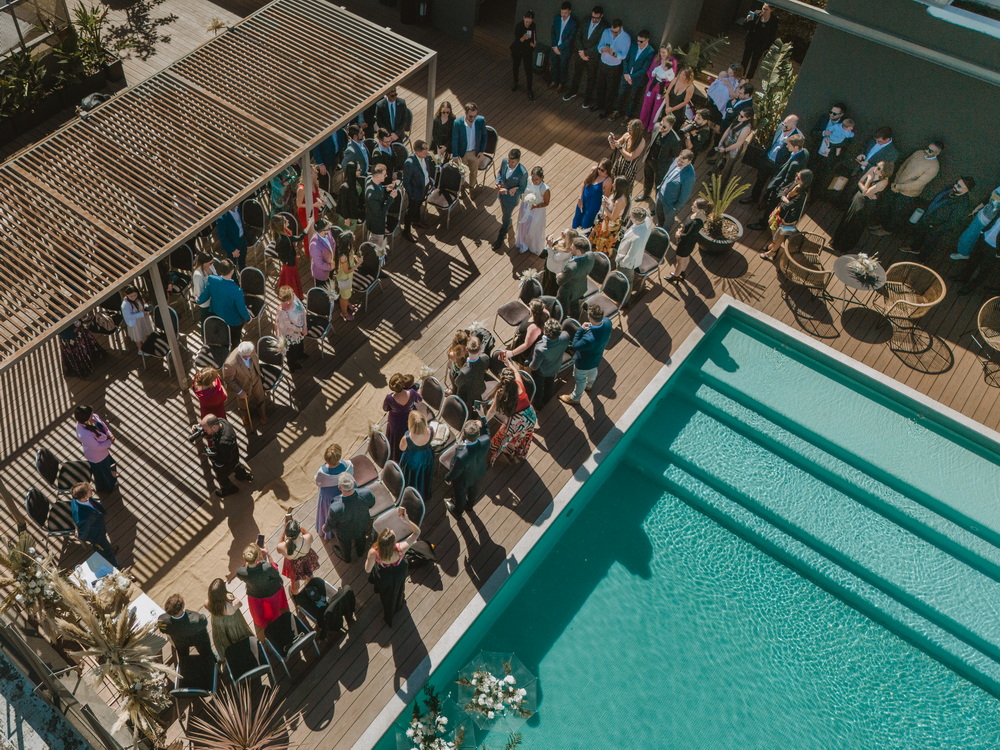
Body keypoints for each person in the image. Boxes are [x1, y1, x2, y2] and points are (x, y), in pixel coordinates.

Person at [871, 142, 943, 235]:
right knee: (886, 205)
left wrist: (898, 186)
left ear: (937, 153)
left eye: (930, 151)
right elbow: (903, 166)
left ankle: (887, 230)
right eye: (927, 148)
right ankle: (880, 224)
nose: (926, 151)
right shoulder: (918, 153)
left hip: (908, 193)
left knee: (896, 213)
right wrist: (895, 182)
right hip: (896, 185)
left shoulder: (934, 167)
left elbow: (918, 184)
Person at [365, 507, 420, 626]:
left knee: (386, 596)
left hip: (384, 575)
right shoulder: (401, 548)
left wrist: (369, 560)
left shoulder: (374, 552)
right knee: (399, 589)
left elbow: (368, 569)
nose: (392, 531)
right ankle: (398, 603)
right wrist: (407, 520)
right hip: (399, 571)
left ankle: (389, 612)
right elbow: (417, 533)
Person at [900, 176, 975, 258]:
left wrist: (937, 228)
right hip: (928, 217)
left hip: (936, 227)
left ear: (967, 189)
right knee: (919, 234)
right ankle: (914, 248)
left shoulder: (962, 204)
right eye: (956, 183)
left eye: (959, 186)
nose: (955, 186)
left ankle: (922, 259)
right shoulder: (950, 188)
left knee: (930, 243)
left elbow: (953, 222)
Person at [747, 134, 809, 231]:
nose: (786, 146)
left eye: (789, 145)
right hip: (784, 183)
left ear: (796, 147)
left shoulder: (795, 164)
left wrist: (777, 190)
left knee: (770, 205)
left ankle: (763, 224)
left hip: (781, 188)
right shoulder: (804, 152)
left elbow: (787, 179)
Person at [831, 161, 894, 254]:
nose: (876, 168)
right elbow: (860, 182)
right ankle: (836, 240)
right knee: (847, 219)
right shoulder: (872, 169)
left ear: (885, 172)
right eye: (877, 166)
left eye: (879, 168)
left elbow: (865, 192)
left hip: (866, 205)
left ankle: (845, 246)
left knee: (855, 225)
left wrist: (869, 180)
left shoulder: (883, 182)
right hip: (858, 198)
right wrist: (866, 189)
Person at [742, 114, 801, 206]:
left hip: (778, 164)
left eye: (786, 125)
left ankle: (765, 201)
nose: (783, 126)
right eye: (783, 123)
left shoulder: (796, 137)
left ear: (794, 126)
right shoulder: (780, 127)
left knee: (772, 185)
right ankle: (754, 197)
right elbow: (772, 140)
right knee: (760, 180)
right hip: (768, 159)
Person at [487, 360, 537, 465]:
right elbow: (517, 373)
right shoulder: (519, 384)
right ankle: (515, 451)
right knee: (522, 436)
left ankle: (499, 451)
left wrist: (483, 421)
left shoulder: (501, 394)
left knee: (502, 437)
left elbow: (492, 411)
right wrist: (510, 364)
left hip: (516, 421)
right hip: (530, 416)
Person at [560, 305, 612, 405]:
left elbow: (575, 345)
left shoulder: (589, 338)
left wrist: (580, 329)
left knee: (580, 380)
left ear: (589, 317)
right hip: (597, 357)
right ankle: (590, 385)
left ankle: (575, 398)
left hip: (583, 362)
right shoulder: (607, 322)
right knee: (593, 371)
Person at [759, 169, 814, 261]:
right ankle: (774, 243)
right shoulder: (795, 183)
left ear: (804, 181)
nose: (796, 178)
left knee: (781, 234)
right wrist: (784, 198)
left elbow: (789, 205)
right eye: (797, 175)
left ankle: (773, 251)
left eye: (799, 177)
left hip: (789, 218)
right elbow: (782, 191)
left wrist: (784, 198)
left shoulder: (803, 194)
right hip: (780, 211)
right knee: (772, 225)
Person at [562, 5, 609, 108]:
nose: (594, 20)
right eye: (593, 17)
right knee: (576, 73)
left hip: (592, 57)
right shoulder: (585, 21)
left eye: (597, 18)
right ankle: (573, 91)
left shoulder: (604, 28)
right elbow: (578, 35)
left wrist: (586, 53)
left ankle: (587, 98)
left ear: (601, 16)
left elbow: (600, 44)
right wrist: (581, 51)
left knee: (591, 78)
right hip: (580, 53)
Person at [197, 259, 251, 346]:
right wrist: (248, 318)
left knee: (223, 337)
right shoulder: (236, 290)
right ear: (232, 271)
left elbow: (201, 299)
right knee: (235, 341)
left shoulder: (212, 280)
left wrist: (197, 299)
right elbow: (241, 309)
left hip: (218, 316)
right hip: (233, 322)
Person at [236, 543, 289, 629]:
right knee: (274, 612)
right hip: (272, 592)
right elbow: (275, 573)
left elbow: (247, 571)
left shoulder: (240, 572)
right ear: (257, 557)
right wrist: (268, 554)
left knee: (259, 613)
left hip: (255, 594)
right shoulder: (266, 566)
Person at [445, 420, 492, 515]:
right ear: (478, 433)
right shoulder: (486, 440)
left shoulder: (461, 455)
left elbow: (456, 470)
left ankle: (458, 511)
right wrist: (483, 418)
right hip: (479, 472)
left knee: (460, 495)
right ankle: (470, 506)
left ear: (463, 434)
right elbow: (486, 432)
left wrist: (448, 478)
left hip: (464, 480)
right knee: (474, 492)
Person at [325, 474, 375, 562]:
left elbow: (329, 526)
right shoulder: (366, 493)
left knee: (345, 547)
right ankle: (360, 552)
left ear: (339, 487)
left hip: (344, 533)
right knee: (361, 539)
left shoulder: (335, 507)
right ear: (354, 482)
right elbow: (371, 504)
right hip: (362, 525)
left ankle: (347, 558)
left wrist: (324, 529)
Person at [200, 413, 253, 497]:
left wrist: (209, 453)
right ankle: (242, 475)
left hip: (227, 460)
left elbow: (225, 460)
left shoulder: (223, 442)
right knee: (236, 465)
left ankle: (231, 489)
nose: (204, 431)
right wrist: (200, 427)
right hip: (233, 453)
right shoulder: (222, 421)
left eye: (205, 430)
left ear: (214, 427)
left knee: (221, 477)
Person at [69, 482, 119, 567]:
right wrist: (79, 533)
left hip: (98, 529)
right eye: (89, 490)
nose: (92, 489)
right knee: (105, 552)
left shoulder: (76, 500)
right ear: (84, 497)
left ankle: (109, 550)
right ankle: (117, 567)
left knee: (106, 546)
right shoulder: (84, 517)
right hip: (96, 536)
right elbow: (83, 533)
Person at [608, 29, 653, 120]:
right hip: (626, 75)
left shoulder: (650, 51)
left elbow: (644, 69)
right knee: (620, 94)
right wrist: (626, 73)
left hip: (637, 79)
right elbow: (626, 59)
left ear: (647, 40)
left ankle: (627, 116)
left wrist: (631, 77)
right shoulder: (633, 45)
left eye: (641, 41)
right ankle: (616, 111)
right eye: (638, 40)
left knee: (633, 99)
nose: (638, 43)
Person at [205, 578, 253, 661]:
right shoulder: (230, 606)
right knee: (237, 636)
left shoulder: (207, 603)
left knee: (225, 639)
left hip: (218, 624)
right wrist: (230, 597)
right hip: (233, 623)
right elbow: (240, 603)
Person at [74, 405, 117, 494]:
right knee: (102, 473)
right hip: (97, 456)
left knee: (107, 466)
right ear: (86, 418)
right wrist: (110, 442)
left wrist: (110, 434)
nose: (93, 414)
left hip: (103, 453)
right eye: (91, 414)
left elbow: (103, 426)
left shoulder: (92, 417)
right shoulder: (84, 434)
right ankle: (109, 486)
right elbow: (97, 447)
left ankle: (111, 475)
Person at [528, 319, 572, 407]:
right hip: (556, 367)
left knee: (539, 389)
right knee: (550, 384)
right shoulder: (565, 336)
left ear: (545, 332)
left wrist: (529, 365)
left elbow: (534, 367)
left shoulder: (540, 348)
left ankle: (538, 405)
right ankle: (548, 401)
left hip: (541, 372)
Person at [637, 114, 680, 202]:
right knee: (648, 177)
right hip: (649, 158)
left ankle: (658, 202)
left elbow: (675, 154)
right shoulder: (656, 127)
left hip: (661, 164)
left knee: (659, 184)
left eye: (664, 127)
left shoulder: (675, 140)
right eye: (661, 124)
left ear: (671, 127)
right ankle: (646, 193)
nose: (661, 127)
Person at [314, 443, 353, 540]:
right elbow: (351, 475)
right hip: (341, 492)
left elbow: (317, 482)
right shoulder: (346, 466)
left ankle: (328, 531)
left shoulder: (322, 472)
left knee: (328, 514)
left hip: (328, 497)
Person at [223, 341, 267, 427]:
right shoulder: (230, 364)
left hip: (256, 379)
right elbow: (228, 380)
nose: (254, 352)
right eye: (252, 353)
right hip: (242, 384)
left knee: (260, 397)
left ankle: (262, 413)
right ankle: (245, 415)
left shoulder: (248, 347)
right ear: (245, 356)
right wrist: (239, 391)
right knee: (243, 402)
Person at [592, 18, 631, 116]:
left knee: (611, 89)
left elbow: (624, 55)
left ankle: (607, 109)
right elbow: (599, 46)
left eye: (616, 32)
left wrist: (615, 54)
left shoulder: (626, 38)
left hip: (614, 66)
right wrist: (602, 49)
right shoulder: (606, 32)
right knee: (600, 85)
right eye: (612, 31)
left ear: (621, 28)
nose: (613, 34)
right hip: (603, 62)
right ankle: (598, 104)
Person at [493, 149, 529, 251]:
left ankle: (500, 238)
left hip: (511, 200)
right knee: (505, 214)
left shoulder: (523, 173)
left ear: (518, 160)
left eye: (512, 162)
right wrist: (498, 182)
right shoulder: (504, 161)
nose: (509, 163)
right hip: (501, 195)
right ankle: (508, 222)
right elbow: (500, 173)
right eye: (509, 161)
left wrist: (508, 191)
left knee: (505, 217)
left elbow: (522, 189)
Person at [666, 197, 710, 282]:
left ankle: (675, 276)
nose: (692, 207)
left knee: (679, 260)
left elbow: (688, 236)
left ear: (700, 210)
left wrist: (679, 234)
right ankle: (682, 272)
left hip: (686, 243)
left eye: (694, 206)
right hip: (690, 242)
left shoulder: (697, 222)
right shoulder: (698, 215)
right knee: (686, 257)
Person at [951, 184, 1000, 260]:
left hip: (986, 222)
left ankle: (963, 254)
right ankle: (965, 252)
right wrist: (977, 208)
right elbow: (989, 199)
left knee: (968, 236)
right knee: (971, 236)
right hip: (982, 215)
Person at [955, 215, 1000, 296]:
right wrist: (983, 232)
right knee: (973, 259)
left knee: (984, 270)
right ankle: (964, 277)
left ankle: (969, 288)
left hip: (995, 249)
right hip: (984, 239)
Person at [710, 108, 755, 186]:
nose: (739, 117)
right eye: (739, 114)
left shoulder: (746, 128)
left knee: (726, 168)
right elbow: (728, 130)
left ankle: (720, 185)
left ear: (748, 118)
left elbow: (738, 143)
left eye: (742, 116)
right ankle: (713, 180)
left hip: (733, 149)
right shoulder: (737, 120)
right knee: (718, 162)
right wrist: (721, 142)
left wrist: (725, 150)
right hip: (726, 143)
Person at [383, 373, 422, 462]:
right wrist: (419, 392)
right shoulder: (412, 393)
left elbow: (386, 408)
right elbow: (419, 399)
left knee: (395, 440)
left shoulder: (389, 398)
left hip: (396, 422)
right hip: (410, 419)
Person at [638, 44, 678, 131]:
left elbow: (672, 76)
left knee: (657, 108)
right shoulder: (657, 58)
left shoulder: (672, 61)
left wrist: (664, 83)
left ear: (668, 52)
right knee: (646, 105)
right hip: (652, 84)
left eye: (664, 52)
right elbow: (650, 70)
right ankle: (642, 124)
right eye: (660, 52)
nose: (661, 54)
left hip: (663, 86)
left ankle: (651, 127)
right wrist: (655, 78)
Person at [499, 298, 550, 365]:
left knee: (522, 363)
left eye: (530, 308)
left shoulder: (534, 328)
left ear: (534, 312)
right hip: (524, 338)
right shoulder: (545, 312)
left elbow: (526, 345)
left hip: (527, 349)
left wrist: (512, 353)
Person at [270, 214, 310, 298]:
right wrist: (309, 224)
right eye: (285, 221)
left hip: (287, 261)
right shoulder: (284, 239)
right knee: (291, 282)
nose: (287, 221)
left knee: (287, 277)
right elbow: (300, 237)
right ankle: (293, 296)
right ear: (282, 225)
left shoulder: (279, 234)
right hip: (290, 262)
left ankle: (283, 289)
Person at [276, 519, 319, 595]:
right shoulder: (307, 538)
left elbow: (278, 549)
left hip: (293, 564)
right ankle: (311, 587)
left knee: (294, 581)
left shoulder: (282, 547)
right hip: (306, 559)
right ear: (299, 531)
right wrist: (299, 527)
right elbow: (308, 534)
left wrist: (284, 529)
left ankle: (295, 594)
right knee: (309, 574)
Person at [655, 150, 696, 230]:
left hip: (671, 202)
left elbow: (685, 195)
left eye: (682, 162)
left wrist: (675, 206)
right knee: (658, 212)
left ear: (689, 162)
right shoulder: (677, 160)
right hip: (661, 194)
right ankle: (660, 225)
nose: (679, 163)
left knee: (668, 220)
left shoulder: (690, 176)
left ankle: (664, 232)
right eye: (679, 160)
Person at [615, 205, 654, 289]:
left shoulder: (637, 238)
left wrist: (622, 263)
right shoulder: (647, 220)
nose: (629, 216)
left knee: (627, 280)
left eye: (631, 216)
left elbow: (631, 255)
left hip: (626, 263)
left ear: (635, 220)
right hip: (627, 253)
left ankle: (625, 299)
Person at [399, 410, 434, 502]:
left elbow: (402, 448)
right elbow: (432, 440)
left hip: (413, 460)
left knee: (412, 477)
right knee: (424, 475)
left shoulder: (407, 438)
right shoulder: (430, 430)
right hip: (426, 456)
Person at [557, 236, 595, 320]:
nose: (570, 247)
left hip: (567, 293)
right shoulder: (591, 255)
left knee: (563, 307)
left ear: (578, 251)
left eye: (572, 247)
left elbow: (560, 282)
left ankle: (562, 320)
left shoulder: (571, 267)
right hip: (581, 287)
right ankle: (575, 320)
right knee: (575, 304)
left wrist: (559, 275)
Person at [590, 175, 630, 255]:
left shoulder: (620, 201)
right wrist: (607, 203)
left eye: (614, 184)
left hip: (611, 225)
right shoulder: (617, 194)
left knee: (601, 241)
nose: (612, 185)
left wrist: (604, 206)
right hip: (606, 218)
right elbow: (612, 208)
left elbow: (613, 217)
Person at [451, 103, 487, 191]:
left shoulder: (480, 121)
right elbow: (454, 139)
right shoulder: (458, 123)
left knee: (474, 172)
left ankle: (472, 187)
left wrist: (482, 151)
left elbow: (484, 136)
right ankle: (462, 187)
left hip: (475, 152)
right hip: (462, 152)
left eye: (475, 116)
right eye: (471, 116)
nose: (473, 118)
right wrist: (455, 155)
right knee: (461, 173)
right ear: (465, 113)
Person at [515, 166, 550, 255]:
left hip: (536, 212)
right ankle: (523, 243)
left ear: (542, 178)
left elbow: (546, 203)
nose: (534, 181)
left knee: (533, 229)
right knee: (523, 226)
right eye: (533, 178)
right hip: (525, 207)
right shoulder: (529, 180)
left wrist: (536, 206)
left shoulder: (545, 189)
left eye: (537, 179)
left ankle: (532, 245)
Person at [402, 140, 434, 240]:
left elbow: (426, 170)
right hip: (415, 191)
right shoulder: (409, 163)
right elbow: (405, 181)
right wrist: (411, 194)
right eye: (424, 151)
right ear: (416, 152)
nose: (427, 153)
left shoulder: (426, 157)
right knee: (410, 210)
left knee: (419, 205)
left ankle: (416, 221)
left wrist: (429, 181)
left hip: (424, 187)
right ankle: (406, 231)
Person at [366, 164, 397, 257]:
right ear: (377, 176)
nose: (386, 176)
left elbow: (379, 190)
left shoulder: (372, 181)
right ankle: (374, 261)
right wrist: (391, 198)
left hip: (379, 220)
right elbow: (379, 213)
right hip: (376, 224)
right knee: (375, 245)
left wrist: (386, 189)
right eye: (384, 174)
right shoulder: (371, 195)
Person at [572, 158, 612, 231]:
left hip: (593, 205)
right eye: (599, 168)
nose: (599, 171)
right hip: (583, 200)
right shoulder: (594, 170)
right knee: (577, 219)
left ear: (607, 170)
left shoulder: (607, 180)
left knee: (586, 224)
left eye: (602, 170)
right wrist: (580, 197)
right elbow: (584, 183)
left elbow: (606, 196)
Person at [452, 336, 488, 416]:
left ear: (466, 349)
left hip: (469, 394)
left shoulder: (464, 371)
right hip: (480, 387)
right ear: (480, 349)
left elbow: (457, 383)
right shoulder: (485, 358)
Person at [608, 118, 647, 190]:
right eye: (628, 128)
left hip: (629, 168)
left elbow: (630, 157)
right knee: (612, 183)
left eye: (630, 129)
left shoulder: (641, 142)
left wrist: (620, 148)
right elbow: (614, 147)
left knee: (623, 189)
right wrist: (611, 141)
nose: (628, 131)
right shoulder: (627, 135)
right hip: (619, 163)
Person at [274, 286, 306, 371]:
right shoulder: (283, 313)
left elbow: (302, 309)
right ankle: (292, 365)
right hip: (291, 335)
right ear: (287, 300)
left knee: (300, 344)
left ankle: (300, 354)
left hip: (300, 330)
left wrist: (305, 326)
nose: (294, 296)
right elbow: (290, 326)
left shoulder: (293, 296)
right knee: (292, 351)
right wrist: (301, 330)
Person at [742, 3, 779, 77]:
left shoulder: (774, 20)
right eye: (763, 8)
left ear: (771, 10)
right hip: (750, 40)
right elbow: (745, 26)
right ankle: (740, 76)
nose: (764, 11)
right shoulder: (756, 13)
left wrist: (768, 47)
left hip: (761, 44)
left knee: (754, 62)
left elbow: (772, 35)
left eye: (766, 9)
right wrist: (747, 20)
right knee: (745, 60)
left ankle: (748, 78)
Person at [548, 2, 578, 91]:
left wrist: (559, 48)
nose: (563, 15)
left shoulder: (573, 23)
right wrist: (554, 46)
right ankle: (554, 81)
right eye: (562, 13)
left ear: (570, 11)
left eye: (565, 13)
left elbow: (570, 39)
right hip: (555, 47)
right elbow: (553, 32)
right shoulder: (557, 18)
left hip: (564, 50)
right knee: (554, 65)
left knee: (563, 67)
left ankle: (561, 84)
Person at [543, 228, 581, 295]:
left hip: (554, 271)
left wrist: (549, 246)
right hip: (551, 266)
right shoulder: (563, 241)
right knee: (545, 280)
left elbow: (554, 258)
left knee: (549, 286)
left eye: (564, 233)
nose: (561, 232)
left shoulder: (566, 252)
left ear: (568, 239)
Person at [334, 237, 363, 322]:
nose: (354, 237)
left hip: (348, 277)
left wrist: (355, 257)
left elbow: (353, 254)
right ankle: (344, 313)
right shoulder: (343, 257)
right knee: (344, 296)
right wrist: (358, 264)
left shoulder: (349, 249)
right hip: (345, 278)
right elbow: (346, 271)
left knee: (346, 294)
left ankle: (347, 303)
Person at [296, 165, 323, 255]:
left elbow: (316, 197)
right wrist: (313, 205)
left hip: (313, 209)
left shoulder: (314, 183)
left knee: (314, 229)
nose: (316, 172)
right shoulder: (302, 188)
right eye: (313, 171)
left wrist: (320, 201)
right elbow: (299, 204)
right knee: (308, 232)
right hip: (305, 213)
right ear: (309, 174)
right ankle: (309, 252)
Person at [511, 11, 538, 100]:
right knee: (516, 66)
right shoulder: (519, 26)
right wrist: (523, 38)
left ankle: (529, 89)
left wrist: (533, 43)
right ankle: (515, 82)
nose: (528, 24)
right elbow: (517, 41)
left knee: (528, 70)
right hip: (518, 50)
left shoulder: (533, 26)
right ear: (523, 18)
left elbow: (534, 36)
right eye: (526, 22)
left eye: (529, 22)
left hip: (527, 51)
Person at [120, 285, 152, 350]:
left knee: (144, 332)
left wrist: (146, 308)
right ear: (126, 295)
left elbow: (141, 306)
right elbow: (129, 316)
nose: (133, 297)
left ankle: (146, 346)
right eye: (131, 296)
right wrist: (142, 313)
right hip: (135, 323)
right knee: (137, 337)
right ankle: (140, 349)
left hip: (142, 320)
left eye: (135, 295)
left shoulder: (138, 299)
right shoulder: (125, 305)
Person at [216, 206, 248, 270]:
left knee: (242, 262)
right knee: (232, 266)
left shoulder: (238, 208)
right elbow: (223, 238)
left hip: (242, 239)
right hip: (233, 245)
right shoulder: (222, 218)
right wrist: (232, 249)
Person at [191, 252, 217, 325]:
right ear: (204, 263)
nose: (212, 264)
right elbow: (200, 292)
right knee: (206, 320)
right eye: (211, 263)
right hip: (205, 302)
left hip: (213, 298)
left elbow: (216, 277)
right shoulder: (198, 275)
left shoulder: (210, 266)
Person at [309, 218, 335, 289]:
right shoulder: (314, 245)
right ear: (322, 231)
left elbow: (333, 242)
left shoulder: (328, 232)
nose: (329, 229)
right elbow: (319, 264)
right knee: (322, 290)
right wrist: (331, 266)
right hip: (321, 273)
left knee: (330, 284)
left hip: (331, 265)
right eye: (328, 228)